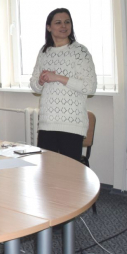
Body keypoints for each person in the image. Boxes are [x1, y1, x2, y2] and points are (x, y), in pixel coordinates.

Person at [30, 8, 97, 161]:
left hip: (72, 124)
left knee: (69, 172)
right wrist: (40, 81)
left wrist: (58, 77)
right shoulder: (44, 52)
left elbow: (90, 87)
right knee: (47, 170)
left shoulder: (80, 52)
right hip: (47, 123)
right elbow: (34, 86)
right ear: (49, 27)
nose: (64, 26)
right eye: (58, 22)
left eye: (67, 22)